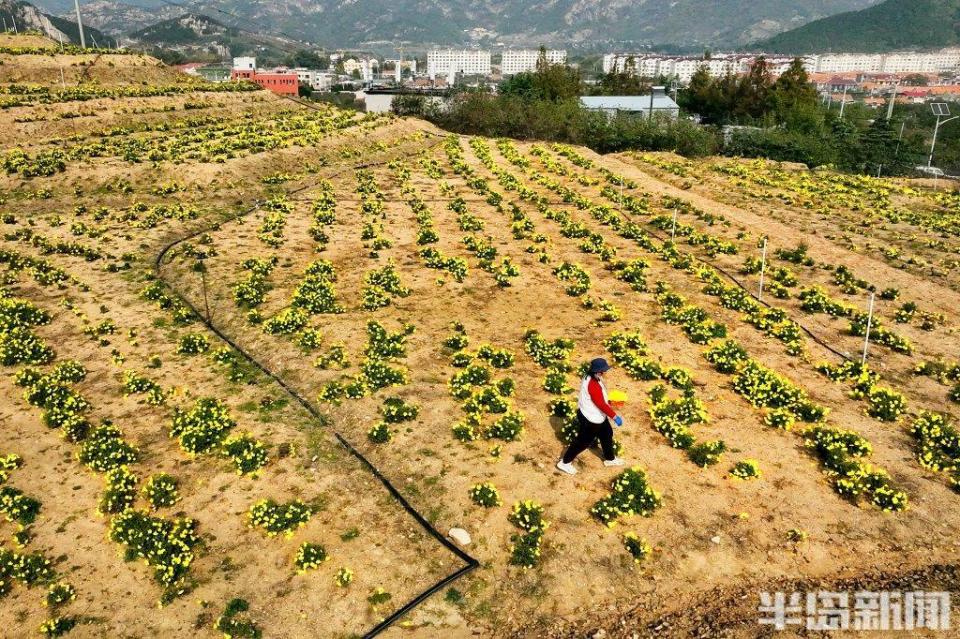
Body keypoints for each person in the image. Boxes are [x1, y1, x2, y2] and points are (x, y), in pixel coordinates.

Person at [556, 357, 624, 475]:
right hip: (591, 418)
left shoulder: (591, 377)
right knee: (582, 442)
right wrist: (614, 416)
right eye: (603, 370)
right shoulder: (593, 384)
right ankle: (564, 462)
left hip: (596, 415)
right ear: (598, 371)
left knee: (607, 433)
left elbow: (600, 399)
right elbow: (601, 404)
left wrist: (609, 401)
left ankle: (610, 459)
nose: (605, 372)